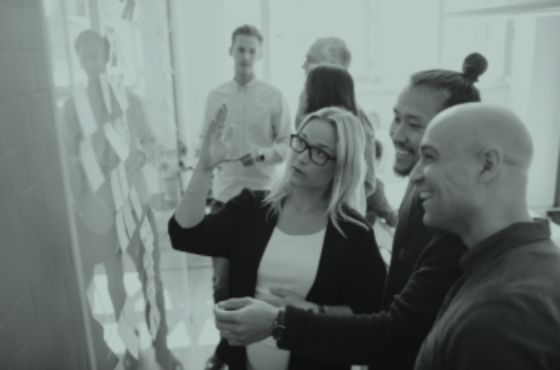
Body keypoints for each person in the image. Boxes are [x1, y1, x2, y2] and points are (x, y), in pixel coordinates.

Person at [214, 53, 488, 370]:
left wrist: (281, 321)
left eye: (414, 124)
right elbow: (388, 300)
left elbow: (396, 330)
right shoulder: (417, 183)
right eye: (397, 118)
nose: (396, 134)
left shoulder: (454, 226)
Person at [169, 106, 387, 370]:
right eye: (301, 142)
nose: (302, 157)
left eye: (319, 152)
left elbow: (372, 314)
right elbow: (185, 236)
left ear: (341, 166)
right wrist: (204, 169)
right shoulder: (251, 207)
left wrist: (312, 311)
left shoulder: (353, 233)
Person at [62, 30, 182, 370]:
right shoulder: (72, 108)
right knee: (115, 285)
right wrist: (86, 199)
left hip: (137, 205)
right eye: (84, 58)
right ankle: (134, 352)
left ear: (106, 57)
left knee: (151, 278)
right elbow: (70, 160)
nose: (90, 64)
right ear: (79, 62)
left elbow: (149, 142)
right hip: (102, 214)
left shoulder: (130, 100)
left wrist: (141, 158)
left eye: (95, 56)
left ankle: (161, 351)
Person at [411, 103, 560, 369]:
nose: (415, 175)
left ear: (486, 165)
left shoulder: (501, 310)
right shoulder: (530, 264)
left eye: (430, 157)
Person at [199, 24, 292, 370]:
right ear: (231, 51)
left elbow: (287, 145)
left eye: (252, 51)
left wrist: (264, 154)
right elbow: (203, 144)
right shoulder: (214, 96)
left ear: (260, 54)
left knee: (256, 279)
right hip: (223, 199)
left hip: (262, 202)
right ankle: (227, 349)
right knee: (222, 280)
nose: (246, 57)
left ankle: (252, 350)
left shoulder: (274, 96)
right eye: (241, 50)